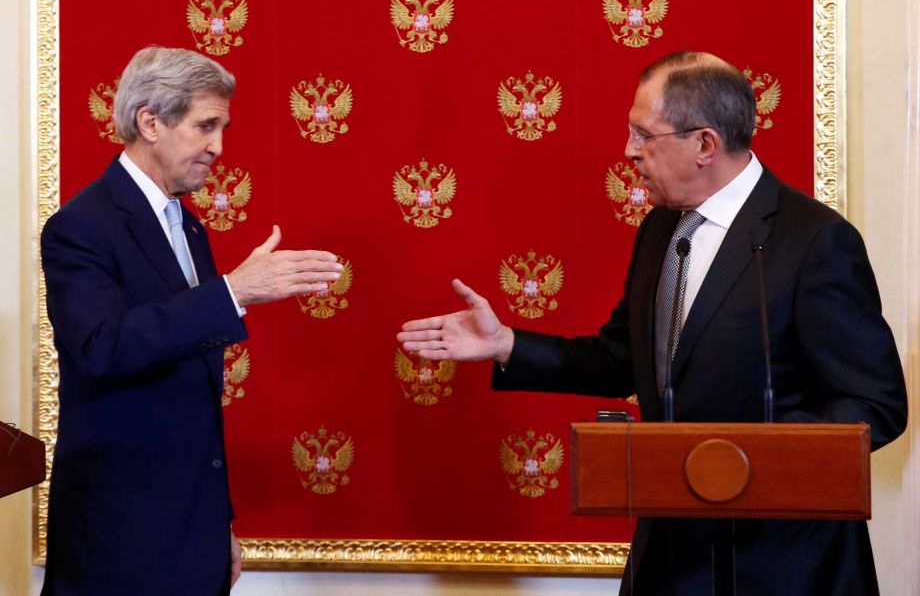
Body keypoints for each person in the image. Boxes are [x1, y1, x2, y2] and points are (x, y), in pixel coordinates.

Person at [397, 51, 908, 596]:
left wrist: (743, 463)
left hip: (785, 563)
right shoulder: (663, 229)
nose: (628, 152)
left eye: (644, 134)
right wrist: (507, 345)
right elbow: (624, 360)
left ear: (704, 145)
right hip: (669, 560)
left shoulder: (813, 240)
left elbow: (875, 406)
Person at [40, 46, 343, 596]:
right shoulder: (80, 227)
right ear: (150, 121)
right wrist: (234, 290)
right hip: (119, 534)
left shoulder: (191, 227)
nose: (218, 147)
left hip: (190, 526)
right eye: (206, 126)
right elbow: (100, 348)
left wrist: (216, 521)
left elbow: (189, 396)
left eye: (223, 127)